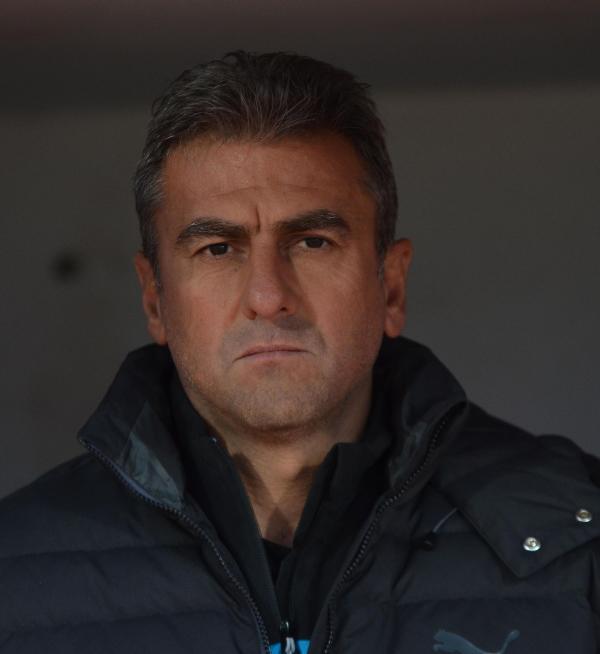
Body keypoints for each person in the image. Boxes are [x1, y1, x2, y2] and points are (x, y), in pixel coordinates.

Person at [1, 51, 599, 654]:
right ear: (155, 300)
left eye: (313, 242)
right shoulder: (15, 574)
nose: (268, 297)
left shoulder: (582, 543)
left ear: (391, 287)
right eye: (217, 249)